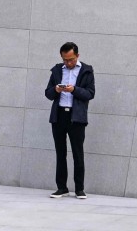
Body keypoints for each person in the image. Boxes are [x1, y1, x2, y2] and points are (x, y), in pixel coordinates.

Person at [44, 41, 95, 199]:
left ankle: (79, 189)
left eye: (71, 59)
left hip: (77, 117)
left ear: (77, 56)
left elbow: (90, 94)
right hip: (59, 115)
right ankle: (62, 188)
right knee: (60, 153)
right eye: (65, 59)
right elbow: (48, 93)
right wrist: (56, 89)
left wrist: (74, 90)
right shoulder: (57, 70)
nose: (68, 62)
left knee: (77, 154)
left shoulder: (86, 70)